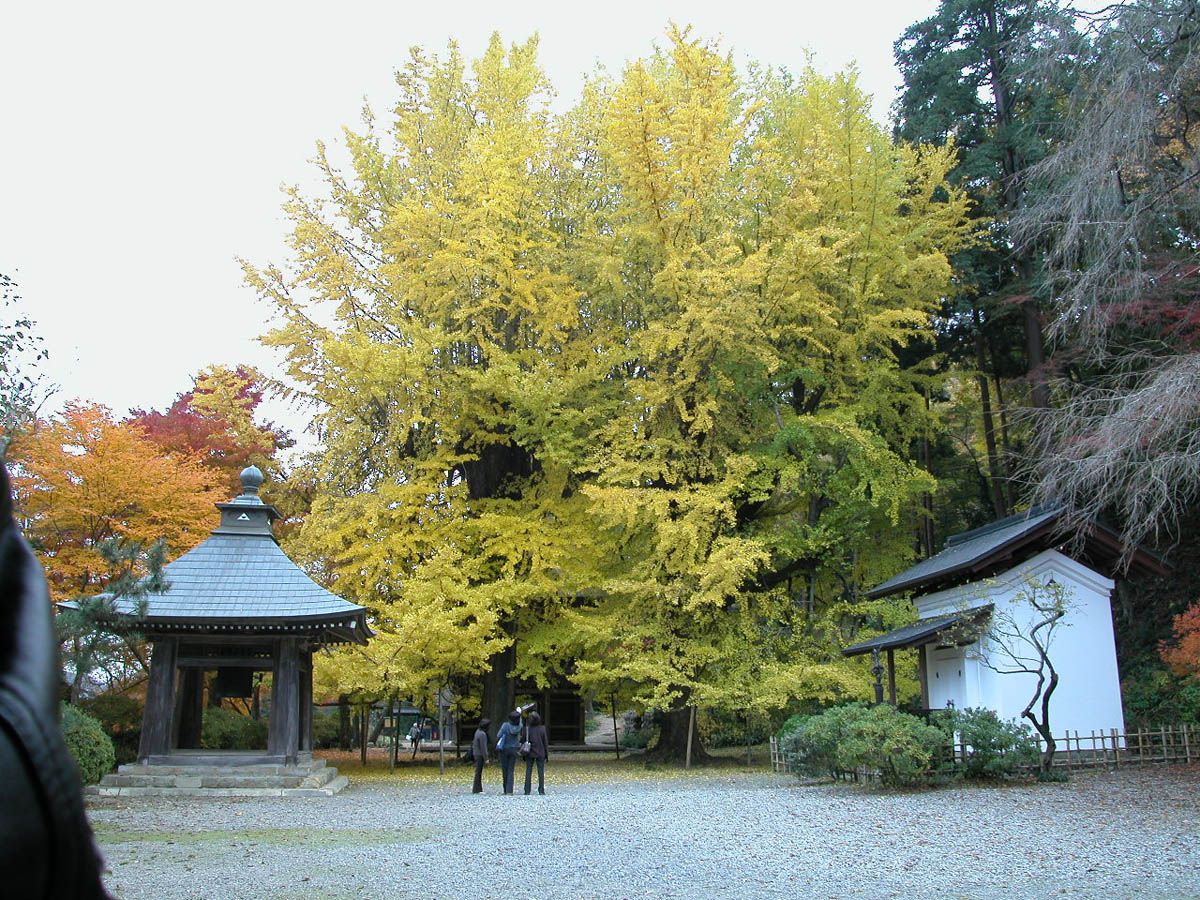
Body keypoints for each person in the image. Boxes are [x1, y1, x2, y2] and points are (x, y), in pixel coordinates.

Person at [495, 709, 522, 794]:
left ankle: (505, 789)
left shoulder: (505, 725)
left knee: (504, 769)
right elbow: (521, 722)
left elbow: (498, 735)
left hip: (504, 749)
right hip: (514, 749)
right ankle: (510, 790)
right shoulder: (519, 727)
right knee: (511, 770)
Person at [523, 710, 549, 795]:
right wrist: (546, 754)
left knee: (528, 771)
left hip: (530, 752)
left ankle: (527, 790)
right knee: (540, 771)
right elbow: (545, 742)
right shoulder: (542, 729)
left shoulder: (527, 729)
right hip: (540, 752)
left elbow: (523, 740)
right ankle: (541, 790)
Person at [470, 718, 490, 793]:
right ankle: (477, 789)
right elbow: (483, 748)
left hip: (476, 753)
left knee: (478, 772)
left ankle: (478, 788)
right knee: (478, 772)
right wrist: (486, 758)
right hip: (480, 755)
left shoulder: (477, 732)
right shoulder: (482, 734)